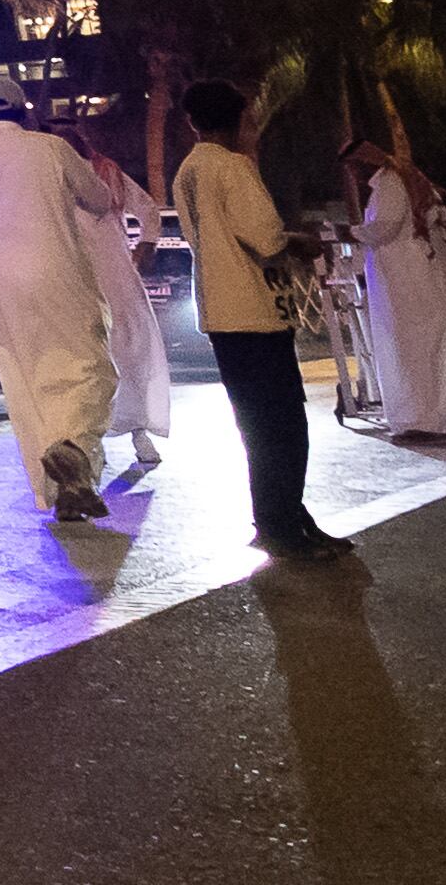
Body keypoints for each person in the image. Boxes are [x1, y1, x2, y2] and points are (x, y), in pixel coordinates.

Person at [0, 68, 122, 520]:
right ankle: (73, 448)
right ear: (23, 109)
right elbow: (97, 199)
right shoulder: (51, 149)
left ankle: (54, 492)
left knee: (24, 384)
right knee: (90, 369)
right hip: (60, 275)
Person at [174, 78, 345, 560]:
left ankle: (282, 516)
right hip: (255, 307)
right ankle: (283, 523)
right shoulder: (233, 167)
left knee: (255, 424)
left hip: (219, 310)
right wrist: (299, 241)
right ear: (238, 120)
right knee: (284, 425)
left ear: (192, 121)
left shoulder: (188, 169)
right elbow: (265, 240)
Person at [343, 138, 446, 440]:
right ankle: (440, 419)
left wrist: (352, 232)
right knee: (427, 348)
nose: (353, 174)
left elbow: (387, 226)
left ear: (363, 162)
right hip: (416, 276)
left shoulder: (391, 181)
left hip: (410, 278)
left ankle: (427, 421)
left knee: (418, 349)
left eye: (354, 165)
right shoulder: (401, 180)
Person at [73, 127, 171, 470]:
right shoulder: (45, 177)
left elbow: (147, 210)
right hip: (73, 279)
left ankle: (138, 430)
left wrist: (147, 244)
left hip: (116, 278)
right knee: (84, 360)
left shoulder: (107, 172)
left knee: (130, 353)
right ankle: (84, 443)